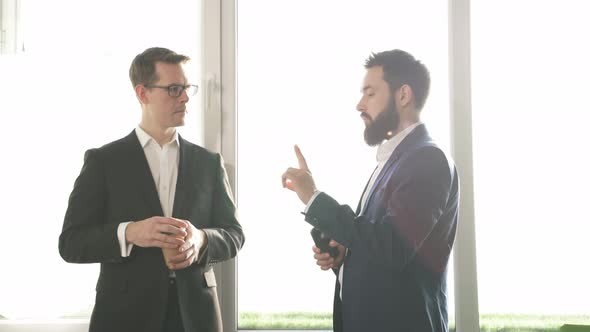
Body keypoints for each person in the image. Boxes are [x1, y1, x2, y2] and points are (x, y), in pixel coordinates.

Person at [59, 47, 244, 332]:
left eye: (186, 88)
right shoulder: (103, 162)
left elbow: (234, 235)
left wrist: (201, 239)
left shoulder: (208, 163)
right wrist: (130, 233)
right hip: (124, 317)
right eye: (173, 89)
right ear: (142, 93)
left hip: (197, 317)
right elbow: (71, 243)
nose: (184, 97)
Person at [282, 49, 459, 332]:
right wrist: (346, 256)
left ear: (403, 95)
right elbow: (381, 246)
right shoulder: (394, 159)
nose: (359, 104)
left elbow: (393, 247)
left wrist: (314, 198)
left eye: (370, 93)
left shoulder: (427, 159)